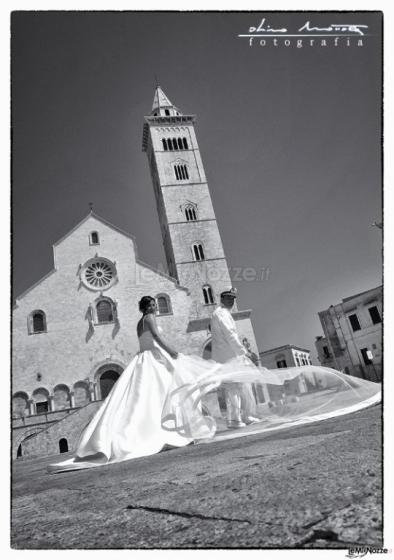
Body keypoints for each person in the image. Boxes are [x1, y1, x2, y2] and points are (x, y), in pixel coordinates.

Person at [48, 295, 381, 473]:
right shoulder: (149, 318)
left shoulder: (137, 321)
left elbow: (145, 339)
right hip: (154, 358)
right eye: (153, 305)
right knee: (160, 396)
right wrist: (173, 351)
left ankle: (144, 433)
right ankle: (160, 433)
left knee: (140, 400)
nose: (153, 309)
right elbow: (158, 335)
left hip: (141, 360)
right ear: (149, 307)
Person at [210, 288, 260, 428]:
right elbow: (230, 334)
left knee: (244, 384)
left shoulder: (223, 313)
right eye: (229, 298)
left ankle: (247, 416)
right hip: (229, 355)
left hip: (231, 354)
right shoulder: (220, 313)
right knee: (234, 387)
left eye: (233, 299)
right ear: (222, 299)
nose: (232, 301)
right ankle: (235, 419)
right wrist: (243, 351)